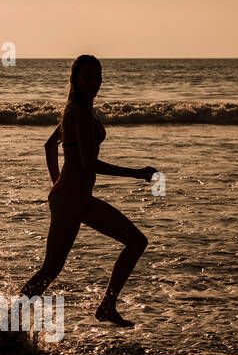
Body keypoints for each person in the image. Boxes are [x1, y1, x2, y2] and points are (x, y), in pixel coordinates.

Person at [21, 54, 156, 327]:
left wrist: (57, 184)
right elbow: (89, 163)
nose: (95, 81)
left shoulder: (80, 109)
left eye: (98, 75)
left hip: (77, 198)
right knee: (50, 269)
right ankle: (6, 327)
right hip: (71, 199)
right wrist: (137, 173)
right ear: (76, 80)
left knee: (136, 241)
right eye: (89, 76)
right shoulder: (78, 111)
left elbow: (50, 147)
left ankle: (107, 306)